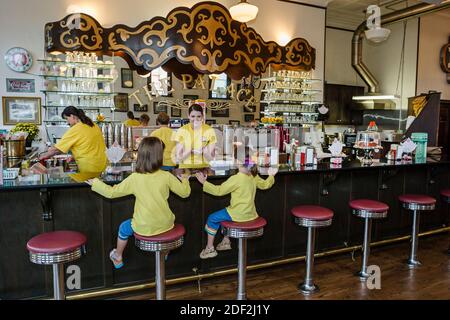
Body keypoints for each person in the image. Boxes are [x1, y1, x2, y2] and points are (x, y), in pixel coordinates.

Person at [87, 137, 191, 268]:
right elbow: (185, 193)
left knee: (124, 228)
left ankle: (118, 256)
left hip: (144, 226)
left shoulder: (135, 178)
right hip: (166, 224)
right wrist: (186, 179)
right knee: (164, 227)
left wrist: (95, 183)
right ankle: (164, 251)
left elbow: (111, 193)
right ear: (159, 156)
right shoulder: (166, 176)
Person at [195, 159, 278, 259]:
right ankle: (226, 241)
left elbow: (219, 191)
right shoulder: (253, 176)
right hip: (251, 214)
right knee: (224, 214)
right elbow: (265, 185)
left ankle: (209, 248)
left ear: (239, 162)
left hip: (238, 215)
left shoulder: (236, 178)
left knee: (212, 218)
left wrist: (204, 182)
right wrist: (271, 175)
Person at [39, 106, 107, 174]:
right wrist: (74, 156)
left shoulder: (76, 129)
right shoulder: (93, 125)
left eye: (67, 118)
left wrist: (43, 156)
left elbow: (56, 149)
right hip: (103, 165)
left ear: (72, 116)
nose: (67, 122)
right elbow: (90, 146)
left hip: (90, 167)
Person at [174, 104, 216, 171]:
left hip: (204, 168)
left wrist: (204, 152)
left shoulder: (209, 130)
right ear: (188, 116)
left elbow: (211, 158)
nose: (195, 119)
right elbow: (179, 158)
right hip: (185, 169)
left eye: (198, 116)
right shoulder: (181, 131)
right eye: (193, 116)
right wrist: (189, 150)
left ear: (202, 116)